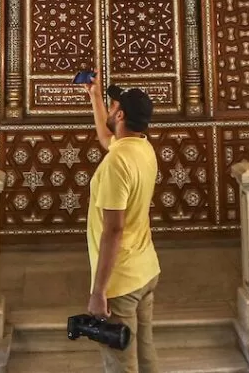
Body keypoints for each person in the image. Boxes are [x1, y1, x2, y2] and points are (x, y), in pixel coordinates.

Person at [84, 78, 159, 373]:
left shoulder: (117, 164)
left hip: (122, 280)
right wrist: (95, 96)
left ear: (121, 115)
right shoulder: (141, 147)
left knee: (121, 364)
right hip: (146, 269)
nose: (111, 108)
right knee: (146, 354)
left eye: (113, 105)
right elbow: (106, 137)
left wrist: (99, 291)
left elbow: (113, 230)